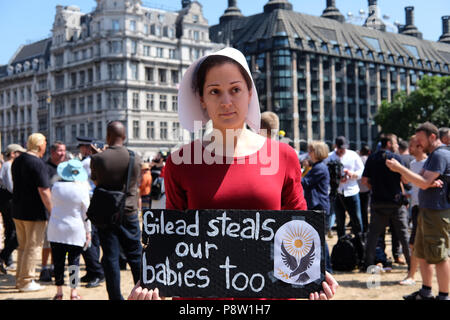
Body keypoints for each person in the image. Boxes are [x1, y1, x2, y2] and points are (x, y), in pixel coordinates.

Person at [128, 47, 338, 300]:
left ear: (250, 93)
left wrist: (313, 278)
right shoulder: (180, 162)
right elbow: (172, 237)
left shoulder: (283, 156)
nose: (226, 101)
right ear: (202, 99)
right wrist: (151, 280)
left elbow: (299, 228)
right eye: (215, 91)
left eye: (235, 89)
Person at [386, 122, 449, 300]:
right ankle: (426, 291)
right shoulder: (433, 155)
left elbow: (421, 181)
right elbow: (418, 179)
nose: (418, 144)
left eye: (420, 140)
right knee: (422, 252)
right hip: (426, 209)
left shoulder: (440, 155)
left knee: (439, 254)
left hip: (437, 211)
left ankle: (444, 295)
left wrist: (400, 168)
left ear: (432, 137)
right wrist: (423, 180)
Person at [90, 121, 142, 300]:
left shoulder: (98, 159)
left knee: (110, 257)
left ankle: (115, 296)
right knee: (135, 255)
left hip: (107, 213)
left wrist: (100, 155)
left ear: (108, 136)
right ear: (125, 136)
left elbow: (96, 182)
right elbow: (136, 183)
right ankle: (143, 292)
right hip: (129, 211)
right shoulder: (135, 157)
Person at [361, 134, 411, 275]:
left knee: (373, 236)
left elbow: (364, 180)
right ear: (389, 143)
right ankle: (411, 265)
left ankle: (368, 264)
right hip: (395, 203)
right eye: (395, 142)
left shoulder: (372, 158)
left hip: (377, 202)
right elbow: (405, 180)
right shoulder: (396, 158)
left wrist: (375, 188)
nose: (397, 145)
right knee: (403, 236)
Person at [11, 133, 52, 292]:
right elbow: (44, 190)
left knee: (23, 246)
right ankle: (27, 280)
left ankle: (20, 279)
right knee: (33, 246)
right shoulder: (37, 163)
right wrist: (52, 210)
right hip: (34, 212)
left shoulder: (18, 160)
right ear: (41, 145)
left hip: (18, 209)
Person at [47, 159, 91, 300]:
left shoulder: (55, 187)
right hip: (75, 229)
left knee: (58, 262)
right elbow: (86, 213)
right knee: (74, 261)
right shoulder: (83, 188)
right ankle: (73, 292)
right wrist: (88, 231)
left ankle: (59, 292)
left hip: (56, 228)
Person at [327, 136, 365, 263]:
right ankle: (342, 247)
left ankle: (360, 248)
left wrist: (352, 175)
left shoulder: (353, 155)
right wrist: (335, 178)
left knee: (357, 220)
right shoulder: (330, 156)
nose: (342, 151)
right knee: (340, 221)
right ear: (335, 146)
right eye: (340, 148)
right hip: (338, 192)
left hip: (352, 191)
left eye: (344, 148)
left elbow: (361, 170)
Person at [76, 136, 105, 288]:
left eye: (81, 146)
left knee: (89, 239)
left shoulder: (88, 162)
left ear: (87, 148)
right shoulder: (94, 160)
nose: (80, 149)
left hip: (90, 201)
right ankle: (92, 270)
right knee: (93, 238)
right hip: (95, 202)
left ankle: (96, 272)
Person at [399, 134, 428, 286]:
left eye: (411, 145)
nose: (408, 148)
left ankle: (412, 275)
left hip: (426, 208)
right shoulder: (413, 163)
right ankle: (413, 275)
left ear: (420, 146)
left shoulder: (428, 162)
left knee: (416, 243)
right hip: (417, 207)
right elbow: (407, 181)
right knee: (415, 243)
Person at [302, 141, 332, 274]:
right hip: (318, 206)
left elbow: (304, 182)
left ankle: (327, 269)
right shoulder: (318, 167)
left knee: (319, 239)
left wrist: (295, 170)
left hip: (318, 207)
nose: (309, 154)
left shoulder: (320, 168)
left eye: (311, 151)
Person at [39, 141, 66, 282]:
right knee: (47, 242)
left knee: (60, 243)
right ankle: (44, 269)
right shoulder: (45, 167)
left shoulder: (65, 168)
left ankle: (55, 268)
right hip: (50, 210)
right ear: (53, 152)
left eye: (64, 151)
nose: (63, 153)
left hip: (64, 212)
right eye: (60, 151)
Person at [0, 144, 26, 274]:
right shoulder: (8, 166)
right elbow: (11, 186)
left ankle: (7, 259)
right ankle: (4, 256)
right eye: (19, 153)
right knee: (17, 232)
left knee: (11, 230)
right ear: (12, 154)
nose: (21, 155)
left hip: (7, 201)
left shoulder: (8, 165)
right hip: (9, 201)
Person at [357, 145, 371, 235]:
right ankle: (365, 227)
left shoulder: (358, 159)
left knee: (358, 209)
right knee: (365, 209)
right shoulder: (369, 160)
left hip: (357, 188)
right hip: (366, 187)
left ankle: (360, 227)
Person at [139, 162, 152, 245]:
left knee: (145, 214)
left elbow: (141, 186)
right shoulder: (149, 175)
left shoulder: (145, 176)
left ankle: (145, 233)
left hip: (144, 196)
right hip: (147, 195)